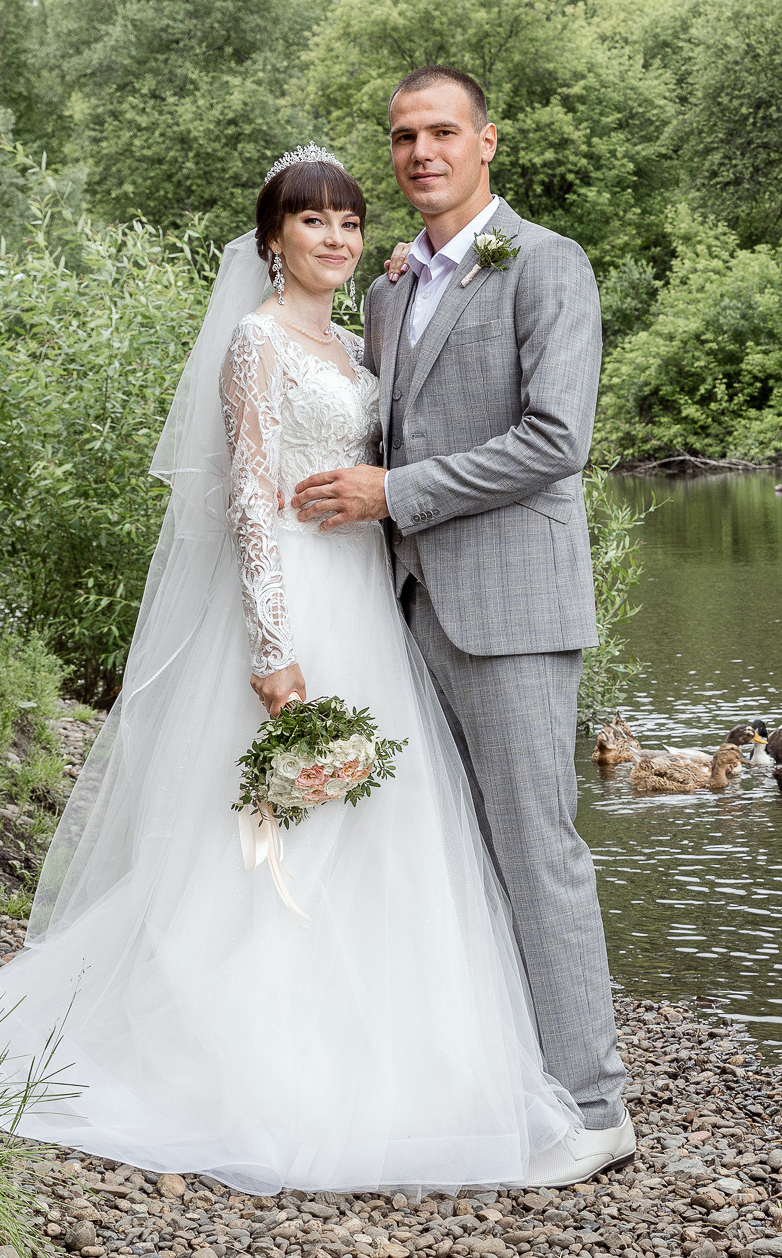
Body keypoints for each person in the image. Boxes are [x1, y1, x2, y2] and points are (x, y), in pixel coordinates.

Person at [0, 146, 595, 1196]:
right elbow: (248, 499)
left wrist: (389, 275)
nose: (331, 238)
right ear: (271, 239)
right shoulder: (255, 342)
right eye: (309, 223)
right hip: (299, 602)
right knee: (279, 837)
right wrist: (273, 648)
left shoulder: (360, 327)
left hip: (373, 604)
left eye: (346, 221)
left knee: (383, 826)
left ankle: (397, 1047)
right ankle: (259, 1056)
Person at [288, 64, 632, 1184]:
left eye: (441, 132)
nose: (419, 151)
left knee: (537, 852)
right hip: (399, 610)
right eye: (402, 136)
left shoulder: (547, 263)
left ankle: (593, 1105)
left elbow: (552, 441)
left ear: (489, 141)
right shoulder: (391, 288)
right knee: (438, 856)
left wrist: (395, 494)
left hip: (513, 606)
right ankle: (490, 1081)